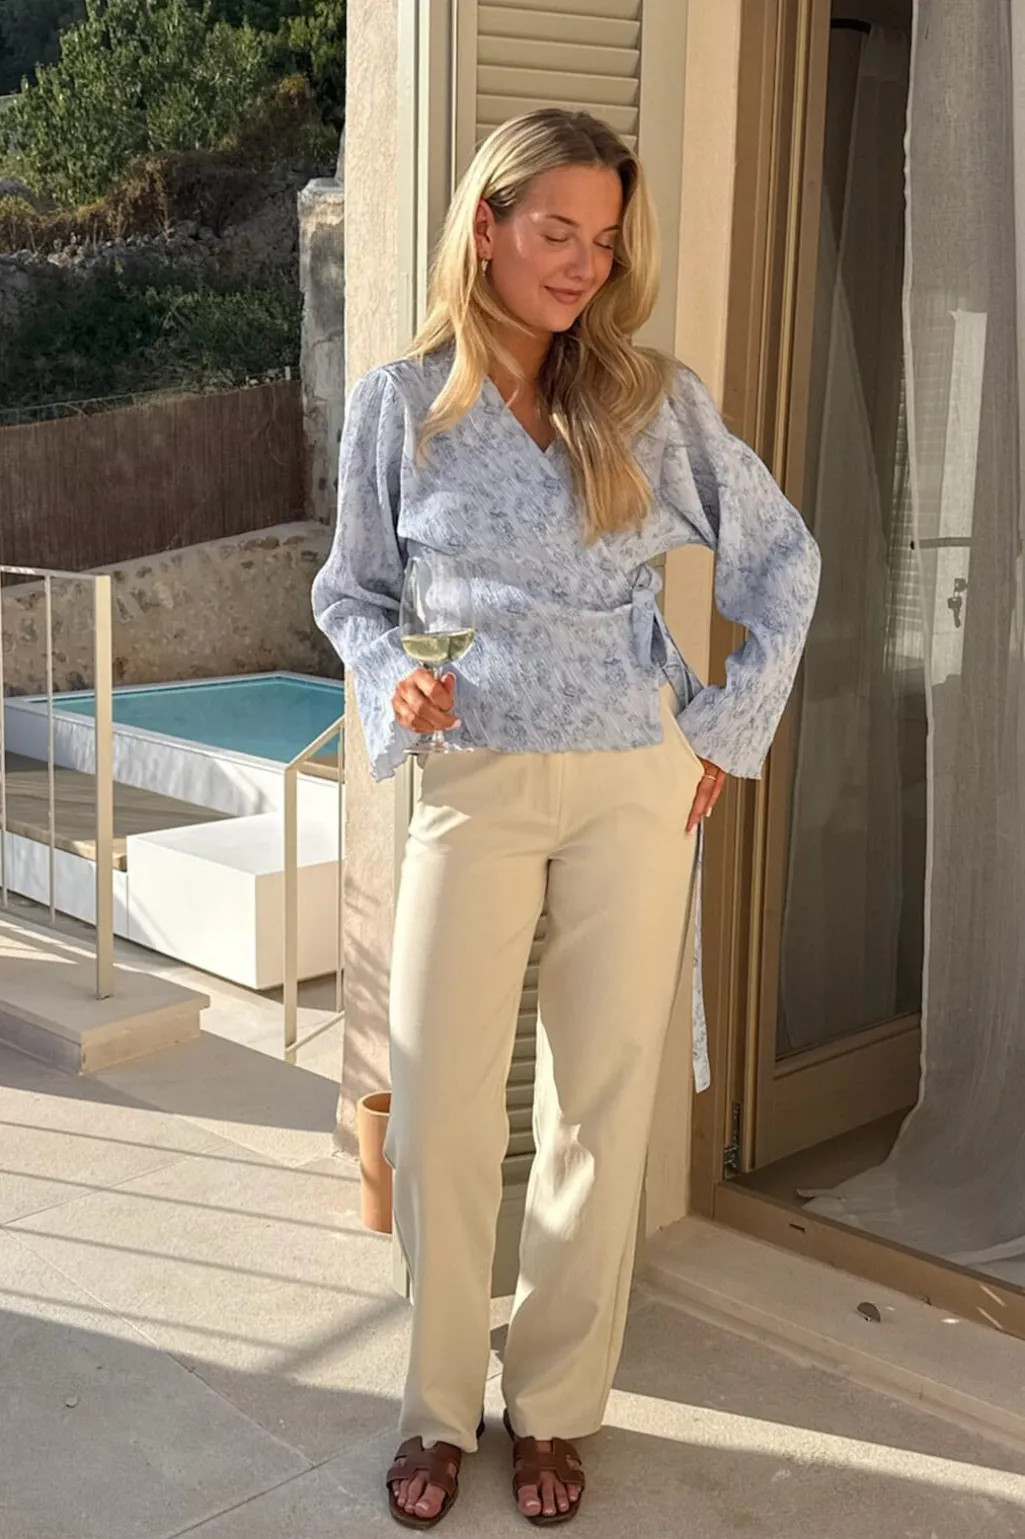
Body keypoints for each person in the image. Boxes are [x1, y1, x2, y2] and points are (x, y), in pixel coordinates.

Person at [313, 107, 820, 1530]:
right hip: (473, 779)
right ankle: (435, 1407)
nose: (584, 263)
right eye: (556, 231)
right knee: (438, 1113)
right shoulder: (402, 404)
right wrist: (395, 677)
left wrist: (722, 727)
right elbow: (352, 593)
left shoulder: (653, 402)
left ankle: (551, 1405)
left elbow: (784, 563)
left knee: (600, 1104)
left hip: (631, 782)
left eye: (603, 239)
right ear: (486, 225)